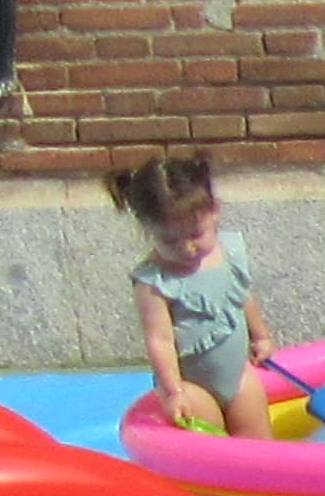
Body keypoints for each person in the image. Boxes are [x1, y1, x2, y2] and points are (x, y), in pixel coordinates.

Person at [108, 151, 277, 437]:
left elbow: (241, 295)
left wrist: (260, 335)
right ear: (148, 230)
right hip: (192, 386)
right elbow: (159, 340)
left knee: (262, 448)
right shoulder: (155, 283)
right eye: (170, 240)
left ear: (215, 211)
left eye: (196, 234)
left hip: (238, 375)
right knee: (217, 455)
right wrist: (173, 391)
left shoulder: (229, 252)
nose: (187, 248)